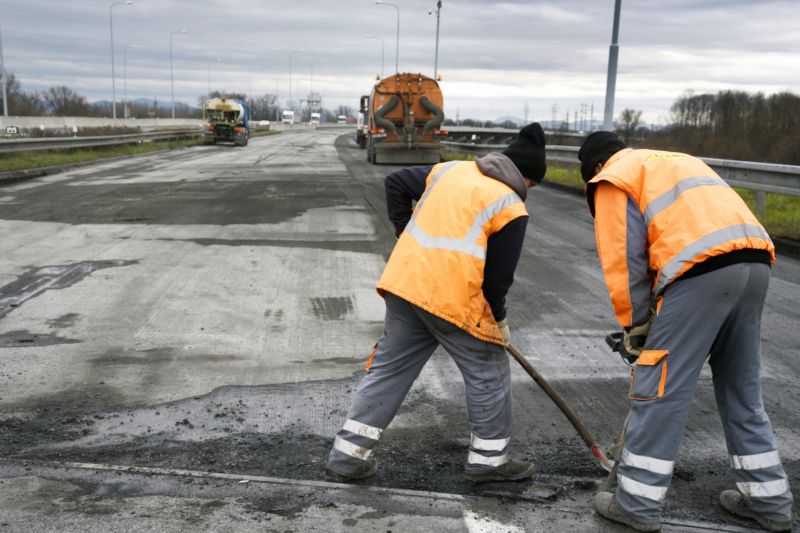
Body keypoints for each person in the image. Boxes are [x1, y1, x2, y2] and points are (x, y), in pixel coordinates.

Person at [578, 131, 793, 532]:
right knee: (741, 390)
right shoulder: (673, 161)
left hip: (700, 273)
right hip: (755, 264)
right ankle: (770, 503)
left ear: (593, 167)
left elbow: (624, 261)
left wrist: (637, 327)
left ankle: (638, 505)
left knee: (660, 388)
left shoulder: (612, 178)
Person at [325, 123, 547, 483]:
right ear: (526, 177)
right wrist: (498, 323)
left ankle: (347, 455)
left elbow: (395, 183)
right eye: (532, 185)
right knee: (488, 370)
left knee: (389, 369)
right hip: (451, 300)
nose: (529, 192)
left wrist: (403, 231)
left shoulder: (449, 169)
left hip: (405, 285)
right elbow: (496, 281)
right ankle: (489, 463)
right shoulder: (511, 205)